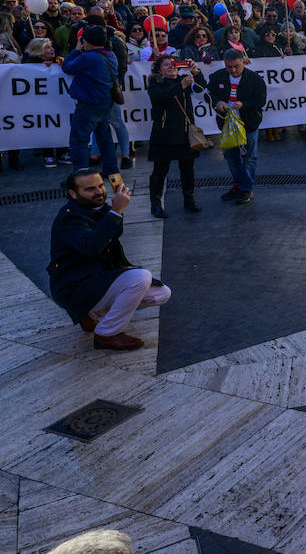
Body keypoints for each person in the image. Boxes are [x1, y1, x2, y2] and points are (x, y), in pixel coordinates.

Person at [47, 170, 170, 350]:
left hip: (97, 277)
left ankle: (90, 315)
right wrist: (116, 211)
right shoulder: (69, 219)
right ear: (73, 194)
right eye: (90, 189)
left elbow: (113, 234)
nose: (98, 192)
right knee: (140, 277)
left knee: (162, 293)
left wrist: (116, 211)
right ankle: (106, 334)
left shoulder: (98, 208)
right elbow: (92, 246)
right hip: (75, 287)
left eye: (100, 186)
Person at [146, 55, 206, 218]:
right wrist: (181, 85)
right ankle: (155, 205)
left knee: (187, 169)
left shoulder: (184, 79)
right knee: (160, 171)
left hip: (184, 133)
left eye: (174, 64)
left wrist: (196, 72)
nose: (171, 67)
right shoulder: (156, 83)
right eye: (166, 64)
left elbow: (201, 89)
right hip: (164, 133)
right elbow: (161, 96)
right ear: (159, 69)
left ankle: (189, 199)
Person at [207, 50, 267, 205]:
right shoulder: (218, 76)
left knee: (249, 157)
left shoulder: (254, 79)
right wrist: (217, 102)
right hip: (227, 125)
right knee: (231, 157)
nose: (233, 70)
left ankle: (246, 189)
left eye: (236, 66)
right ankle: (238, 186)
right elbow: (209, 94)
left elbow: (261, 100)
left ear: (243, 62)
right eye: (229, 67)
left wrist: (244, 104)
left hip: (249, 124)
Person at [61, 26, 120, 181]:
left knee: (79, 140)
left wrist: (76, 50)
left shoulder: (89, 57)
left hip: (88, 104)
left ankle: (81, 176)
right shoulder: (110, 54)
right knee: (104, 138)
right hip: (105, 103)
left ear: (86, 41)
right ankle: (112, 171)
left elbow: (67, 66)